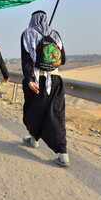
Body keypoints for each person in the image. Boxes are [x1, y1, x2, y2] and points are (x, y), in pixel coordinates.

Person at [20, 10, 68, 167]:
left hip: (37, 80)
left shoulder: (28, 33)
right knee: (56, 114)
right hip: (55, 80)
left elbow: (26, 60)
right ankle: (63, 154)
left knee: (34, 111)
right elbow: (63, 60)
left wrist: (28, 80)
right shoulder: (55, 34)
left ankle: (33, 139)